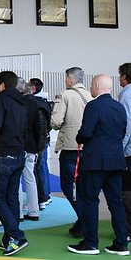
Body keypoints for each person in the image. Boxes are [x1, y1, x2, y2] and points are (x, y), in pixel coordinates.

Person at [68, 74, 128, 255]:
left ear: (95, 86)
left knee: (90, 201)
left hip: (95, 162)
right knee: (116, 203)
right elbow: (123, 132)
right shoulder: (119, 107)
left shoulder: (93, 106)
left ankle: (91, 243)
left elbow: (86, 133)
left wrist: (79, 138)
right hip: (116, 161)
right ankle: (121, 243)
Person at [0, 71, 29, 256]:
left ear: (1, 85)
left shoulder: (0, 100)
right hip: (19, 154)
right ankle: (9, 237)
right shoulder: (23, 102)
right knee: (11, 198)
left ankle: (17, 236)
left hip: (3, 154)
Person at [51, 66, 92, 238]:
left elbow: (55, 121)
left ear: (71, 78)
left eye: (66, 77)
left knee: (68, 186)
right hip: (88, 147)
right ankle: (84, 221)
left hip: (70, 146)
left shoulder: (65, 95)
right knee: (83, 187)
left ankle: (84, 221)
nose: (65, 81)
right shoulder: (90, 96)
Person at [22, 81, 50, 222]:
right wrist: (40, 147)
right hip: (34, 146)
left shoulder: (21, 104)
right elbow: (43, 127)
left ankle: (18, 212)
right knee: (30, 177)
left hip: (21, 145)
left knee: (17, 180)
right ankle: (34, 210)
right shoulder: (40, 104)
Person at [29, 77, 52, 209]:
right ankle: (45, 195)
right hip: (44, 140)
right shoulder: (44, 102)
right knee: (43, 167)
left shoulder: (36, 104)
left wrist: (39, 145)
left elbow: (41, 126)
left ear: (33, 88)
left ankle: (42, 197)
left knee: (38, 169)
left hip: (39, 142)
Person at [118, 63, 131, 239]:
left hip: (129, 151)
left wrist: (119, 148)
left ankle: (128, 230)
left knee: (127, 191)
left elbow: (127, 124)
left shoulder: (126, 95)